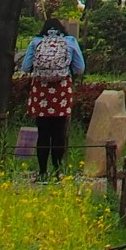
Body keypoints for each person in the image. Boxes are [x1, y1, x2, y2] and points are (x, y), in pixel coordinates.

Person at [20, 17, 85, 178]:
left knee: (43, 132)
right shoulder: (69, 41)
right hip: (61, 89)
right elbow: (79, 68)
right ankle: (57, 171)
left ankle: (42, 172)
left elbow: (26, 67)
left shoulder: (36, 42)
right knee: (58, 132)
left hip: (40, 89)